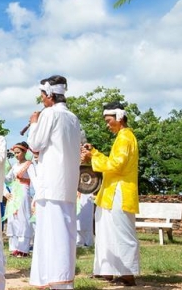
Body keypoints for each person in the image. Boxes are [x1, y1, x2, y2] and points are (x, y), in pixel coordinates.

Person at [26, 75, 81, 289]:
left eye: (42, 95)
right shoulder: (73, 118)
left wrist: (33, 124)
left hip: (51, 183)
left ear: (49, 95)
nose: (41, 100)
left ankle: (58, 281)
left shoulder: (49, 114)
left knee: (53, 234)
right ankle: (52, 279)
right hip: (66, 183)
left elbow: (35, 143)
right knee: (63, 232)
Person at [81, 102, 140, 286]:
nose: (107, 125)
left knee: (122, 233)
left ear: (119, 118)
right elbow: (112, 163)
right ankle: (106, 270)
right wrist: (95, 153)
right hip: (110, 192)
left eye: (109, 121)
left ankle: (128, 274)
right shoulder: (121, 137)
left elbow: (116, 166)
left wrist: (93, 156)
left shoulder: (125, 138)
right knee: (105, 231)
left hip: (120, 192)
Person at [4, 142, 36, 258]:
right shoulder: (14, 166)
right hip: (14, 191)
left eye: (18, 152)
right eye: (15, 153)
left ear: (24, 152)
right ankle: (14, 247)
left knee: (23, 217)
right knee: (13, 218)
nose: (16, 155)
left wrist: (36, 196)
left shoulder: (29, 165)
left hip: (23, 190)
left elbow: (35, 181)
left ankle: (23, 248)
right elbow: (8, 179)